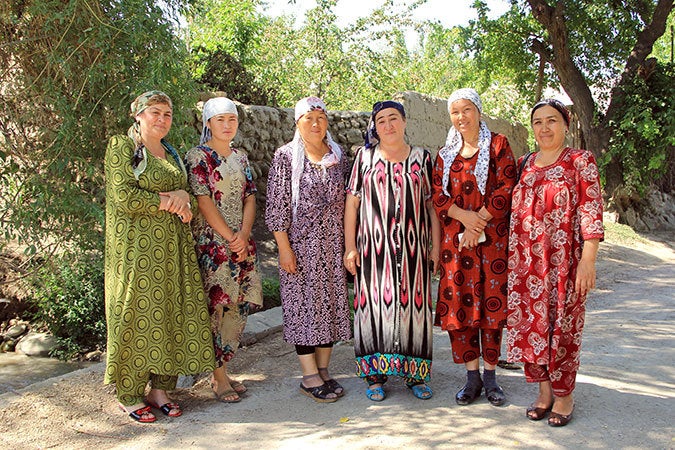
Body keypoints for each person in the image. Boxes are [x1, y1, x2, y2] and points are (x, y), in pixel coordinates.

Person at [104, 90, 215, 423]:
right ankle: (129, 393)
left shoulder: (171, 152)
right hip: (136, 252)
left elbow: (190, 201)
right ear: (138, 114)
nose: (162, 119)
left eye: (167, 114)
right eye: (155, 112)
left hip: (174, 251)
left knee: (170, 313)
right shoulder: (121, 147)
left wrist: (184, 202)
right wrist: (171, 199)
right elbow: (123, 195)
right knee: (137, 314)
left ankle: (160, 390)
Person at [507, 99, 604, 427]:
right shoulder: (524, 163)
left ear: (565, 124)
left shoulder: (580, 161)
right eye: (538, 122)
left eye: (551, 121)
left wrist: (587, 261)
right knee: (531, 328)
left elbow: (591, 209)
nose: (544, 128)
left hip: (565, 263)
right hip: (526, 266)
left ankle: (564, 395)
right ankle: (544, 391)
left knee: (563, 328)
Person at [344, 100, 440, 402]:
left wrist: (434, 246)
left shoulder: (422, 158)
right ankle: (374, 375)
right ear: (375, 125)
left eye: (394, 118)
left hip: (413, 252)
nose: (388, 125)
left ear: (404, 122)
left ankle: (415, 376)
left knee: (415, 309)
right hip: (373, 250)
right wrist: (350, 248)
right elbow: (352, 205)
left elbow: (430, 205)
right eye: (382, 120)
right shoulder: (364, 158)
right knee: (372, 309)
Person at [431, 88, 517, 407]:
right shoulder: (445, 154)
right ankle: (471, 378)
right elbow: (438, 195)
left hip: (492, 245)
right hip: (458, 248)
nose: (461, 117)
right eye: (455, 112)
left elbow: (507, 185)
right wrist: (465, 220)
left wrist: (477, 221)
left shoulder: (497, 145)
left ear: (478, 111)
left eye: (467, 110)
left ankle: (492, 377)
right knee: (463, 309)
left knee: (491, 310)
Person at [266, 96, 352, 403]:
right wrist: (284, 249)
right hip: (301, 248)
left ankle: (324, 369)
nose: (315, 124)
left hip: (332, 248)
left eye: (320, 118)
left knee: (328, 307)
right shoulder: (286, 157)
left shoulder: (337, 155)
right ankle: (308, 375)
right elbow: (276, 206)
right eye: (308, 118)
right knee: (303, 310)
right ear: (297, 122)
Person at [185, 97, 263, 403]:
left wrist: (243, 234)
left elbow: (250, 197)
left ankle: (224, 370)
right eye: (221, 120)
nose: (227, 125)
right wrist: (230, 236)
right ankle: (217, 379)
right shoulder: (198, 157)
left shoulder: (241, 158)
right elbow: (203, 201)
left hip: (240, 243)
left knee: (237, 307)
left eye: (232, 119)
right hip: (213, 243)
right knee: (215, 309)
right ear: (208, 123)